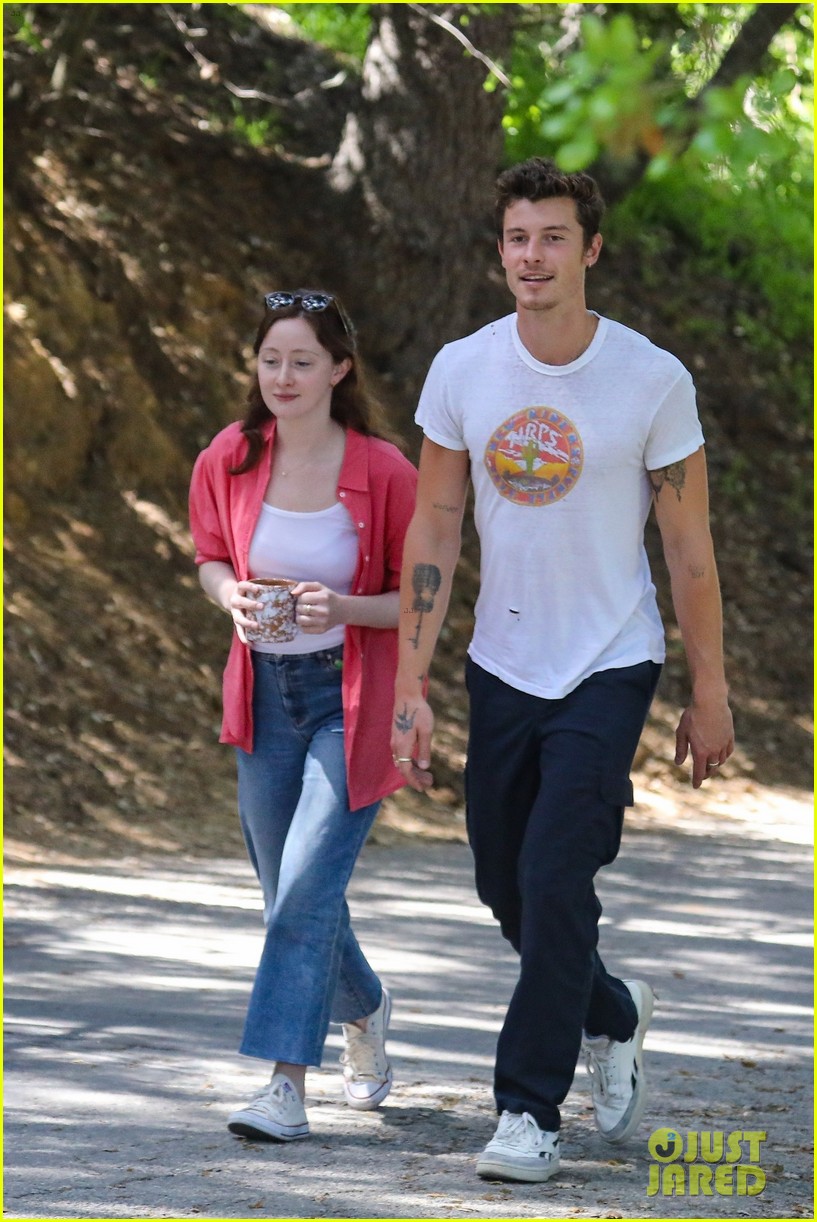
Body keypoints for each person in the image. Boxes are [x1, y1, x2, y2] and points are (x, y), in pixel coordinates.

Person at [390, 158, 734, 1183]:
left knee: (553, 874)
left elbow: (689, 552)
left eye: (551, 238)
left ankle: (526, 1111)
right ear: (499, 250)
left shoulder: (650, 380)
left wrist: (708, 692)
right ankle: (613, 1009)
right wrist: (410, 684)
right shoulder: (462, 369)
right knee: (507, 885)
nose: (531, 256)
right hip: (502, 658)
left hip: (607, 661)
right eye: (516, 238)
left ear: (590, 249)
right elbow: (436, 524)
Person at [190, 288, 417, 1143]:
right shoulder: (232, 455)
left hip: (348, 701)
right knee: (292, 895)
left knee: (302, 895)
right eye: (269, 360)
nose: (282, 376)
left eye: (302, 361)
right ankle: (365, 1005)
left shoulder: (385, 472)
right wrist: (231, 599)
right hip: (264, 697)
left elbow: (419, 603)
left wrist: (343, 611)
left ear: (339, 370)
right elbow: (211, 555)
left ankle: (284, 1086)